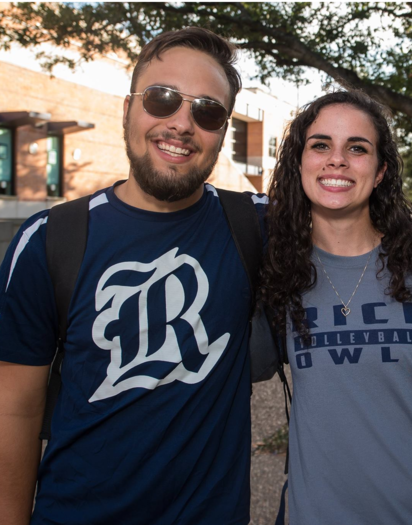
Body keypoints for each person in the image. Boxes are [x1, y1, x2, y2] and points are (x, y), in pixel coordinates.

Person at [0, 28, 257, 525]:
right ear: (127, 109)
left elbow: (358, 225)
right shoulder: (48, 240)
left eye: (207, 111)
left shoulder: (253, 224)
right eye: (162, 99)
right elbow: (14, 409)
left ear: (222, 131)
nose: (181, 123)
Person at [261, 91, 412, 525]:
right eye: (320, 145)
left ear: (379, 172)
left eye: (356, 148)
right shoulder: (277, 276)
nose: (336, 160)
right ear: (299, 162)